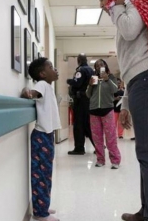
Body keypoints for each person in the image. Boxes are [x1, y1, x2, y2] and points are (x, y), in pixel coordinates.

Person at [94, 0, 148, 221]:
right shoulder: (124, 13)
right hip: (140, 82)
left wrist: (114, 7)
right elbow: (130, 65)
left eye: (106, 2)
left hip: (147, 81)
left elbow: (129, 31)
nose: (106, 9)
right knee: (144, 152)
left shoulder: (134, 4)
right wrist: (125, 103)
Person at [21, 57, 61, 221]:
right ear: (42, 73)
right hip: (41, 137)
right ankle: (39, 213)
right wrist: (27, 92)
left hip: (47, 135)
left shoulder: (48, 86)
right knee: (41, 176)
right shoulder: (42, 85)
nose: (55, 69)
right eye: (51, 67)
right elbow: (33, 94)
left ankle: (43, 206)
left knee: (46, 174)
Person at [86, 59, 121, 169]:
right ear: (95, 68)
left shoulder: (111, 77)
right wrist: (90, 85)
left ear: (105, 65)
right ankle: (100, 160)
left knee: (111, 137)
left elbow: (115, 89)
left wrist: (107, 80)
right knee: (97, 138)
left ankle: (115, 160)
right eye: (97, 65)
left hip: (107, 110)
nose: (99, 66)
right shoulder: (94, 78)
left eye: (101, 64)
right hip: (94, 111)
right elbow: (88, 95)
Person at [66, 54, 95, 155]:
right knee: (88, 124)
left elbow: (77, 83)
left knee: (78, 125)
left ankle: (79, 148)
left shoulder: (81, 70)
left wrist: (69, 81)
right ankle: (98, 146)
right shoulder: (92, 70)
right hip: (89, 101)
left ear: (78, 60)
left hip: (80, 100)